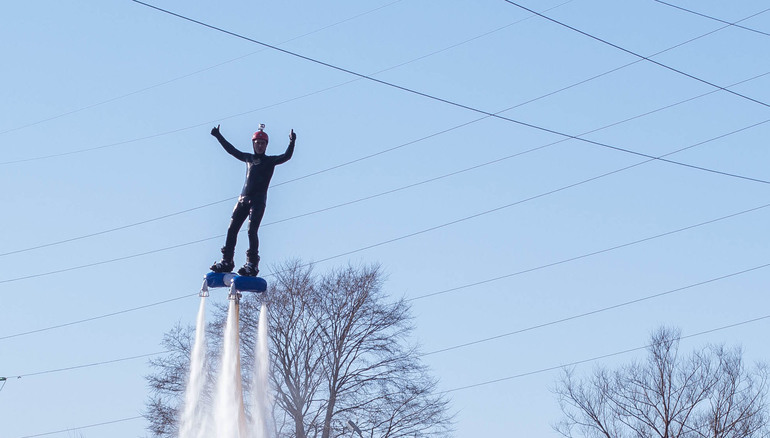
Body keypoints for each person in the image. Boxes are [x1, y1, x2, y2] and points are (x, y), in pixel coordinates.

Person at [209, 124, 296, 276]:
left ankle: (252, 263)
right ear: (253, 143)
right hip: (243, 199)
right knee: (231, 229)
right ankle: (227, 260)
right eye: (258, 143)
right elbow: (232, 150)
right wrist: (218, 136)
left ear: (266, 145)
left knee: (251, 230)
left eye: (263, 143)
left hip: (258, 201)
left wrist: (291, 142)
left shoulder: (270, 161)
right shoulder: (248, 158)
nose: (260, 146)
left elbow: (286, 156)